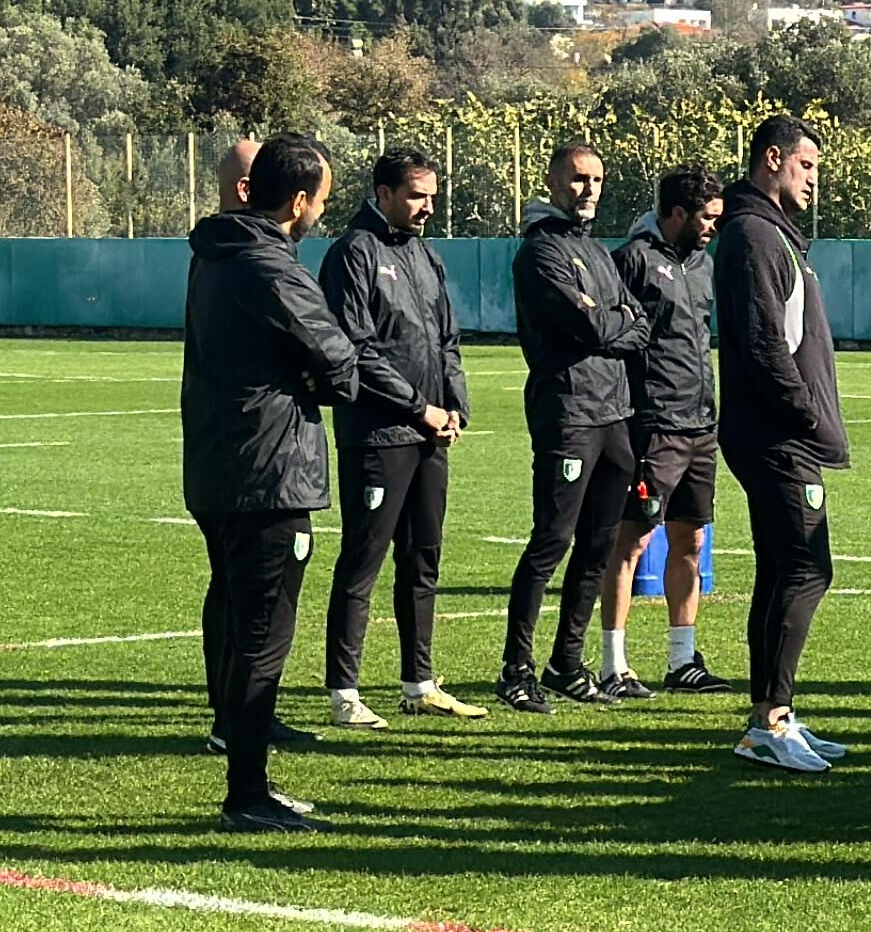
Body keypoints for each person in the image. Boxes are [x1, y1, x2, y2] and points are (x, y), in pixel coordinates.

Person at [183, 136, 361, 833]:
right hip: (270, 471)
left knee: (238, 619)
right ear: (298, 201)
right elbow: (338, 359)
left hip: (221, 464)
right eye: (322, 201)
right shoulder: (269, 263)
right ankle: (247, 795)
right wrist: (317, 378)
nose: (322, 213)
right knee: (263, 633)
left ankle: (246, 768)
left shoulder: (215, 253)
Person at [318, 148, 476, 730]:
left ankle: (419, 684)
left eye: (432, 196)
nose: (427, 207)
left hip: (430, 433)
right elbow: (354, 349)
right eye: (416, 195)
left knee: (422, 558)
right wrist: (418, 407)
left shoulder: (426, 255)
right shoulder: (353, 253)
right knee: (363, 560)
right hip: (379, 433)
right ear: (383, 194)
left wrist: (454, 407)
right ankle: (344, 693)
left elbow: (447, 339)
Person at [716, 116, 852, 771]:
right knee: (807, 568)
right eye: (807, 165)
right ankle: (771, 720)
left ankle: (770, 718)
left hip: (776, 430)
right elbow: (765, 344)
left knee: (780, 570)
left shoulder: (773, 235)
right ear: (773, 159)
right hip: (777, 434)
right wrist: (805, 414)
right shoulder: (753, 236)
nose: (814, 180)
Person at [501, 141, 648, 710]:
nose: (589, 190)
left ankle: (566, 662)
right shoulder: (540, 252)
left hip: (614, 414)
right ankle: (516, 669)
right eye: (578, 178)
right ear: (554, 182)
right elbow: (591, 328)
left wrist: (610, 320)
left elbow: (640, 324)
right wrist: (613, 322)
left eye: (597, 179)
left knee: (598, 546)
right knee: (551, 541)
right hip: (567, 413)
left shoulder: (598, 253)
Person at [599, 166, 730, 699]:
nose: (714, 227)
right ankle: (613, 665)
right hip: (655, 424)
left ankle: (682, 660)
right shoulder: (632, 260)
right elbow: (612, 338)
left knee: (691, 540)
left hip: (701, 423)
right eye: (707, 217)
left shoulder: (704, 263)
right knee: (631, 540)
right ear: (677, 213)